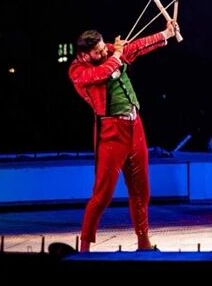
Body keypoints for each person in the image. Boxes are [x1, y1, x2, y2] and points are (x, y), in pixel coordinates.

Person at [69, 19, 179, 252]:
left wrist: (166, 34)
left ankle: (144, 243)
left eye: (104, 48)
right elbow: (100, 74)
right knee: (102, 195)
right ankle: (84, 247)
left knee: (142, 191)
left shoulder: (109, 52)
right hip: (111, 132)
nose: (104, 52)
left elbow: (135, 47)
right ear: (86, 54)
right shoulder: (78, 71)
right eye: (98, 51)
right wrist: (117, 56)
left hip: (134, 126)